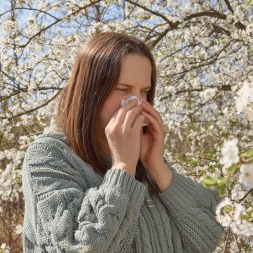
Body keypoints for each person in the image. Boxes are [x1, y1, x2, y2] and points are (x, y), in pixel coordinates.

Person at [21, 31, 225, 252]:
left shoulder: (145, 159)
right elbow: (73, 246)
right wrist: (122, 169)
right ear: (90, 91)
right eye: (123, 89)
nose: (137, 102)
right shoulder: (49, 156)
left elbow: (211, 236)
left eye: (144, 91)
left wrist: (157, 165)